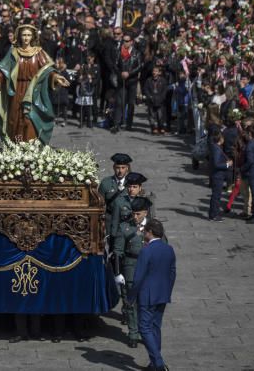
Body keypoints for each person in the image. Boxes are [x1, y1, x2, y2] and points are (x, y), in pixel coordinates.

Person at [0, 25, 70, 143]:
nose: (26, 38)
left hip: (33, 91)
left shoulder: (38, 52)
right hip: (16, 90)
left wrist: (56, 77)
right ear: (19, 36)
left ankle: (30, 146)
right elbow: (3, 68)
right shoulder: (14, 51)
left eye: (28, 35)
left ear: (33, 37)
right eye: (24, 35)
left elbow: (48, 70)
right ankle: (15, 145)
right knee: (14, 118)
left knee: (29, 118)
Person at [129, 219, 176, 371]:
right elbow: (172, 273)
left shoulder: (146, 251)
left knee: (144, 328)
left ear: (150, 232)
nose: (143, 233)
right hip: (162, 294)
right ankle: (154, 363)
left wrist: (131, 297)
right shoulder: (169, 249)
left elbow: (138, 277)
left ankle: (158, 363)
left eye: (145, 231)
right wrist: (167, 290)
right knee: (155, 327)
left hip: (147, 295)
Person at [113, 197, 152, 349]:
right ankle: (133, 333)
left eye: (138, 214)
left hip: (148, 269)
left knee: (147, 304)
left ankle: (145, 331)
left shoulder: (153, 227)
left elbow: (163, 248)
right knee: (131, 303)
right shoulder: (125, 228)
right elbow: (117, 252)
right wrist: (117, 273)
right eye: (133, 213)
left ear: (145, 212)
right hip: (130, 268)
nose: (135, 217)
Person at [100, 153, 132, 240]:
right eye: (118, 168)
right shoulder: (105, 183)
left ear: (127, 168)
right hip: (110, 221)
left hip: (128, 220)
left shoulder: (132, 183)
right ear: (114, 167)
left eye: (123, 168)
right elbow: (100, 204)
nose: (120, 171)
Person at [208, 130, 232, 221]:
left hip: (217, 175)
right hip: (217, 176)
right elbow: (217, 164)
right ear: (220, 139)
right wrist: (227, 164)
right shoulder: (216, 149)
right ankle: (214, 214)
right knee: (216, 196)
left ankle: (213, 213)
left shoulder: (215, 147)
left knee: (216, 195)